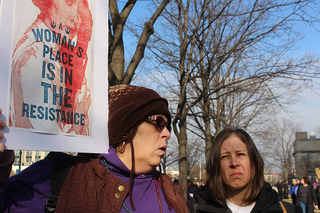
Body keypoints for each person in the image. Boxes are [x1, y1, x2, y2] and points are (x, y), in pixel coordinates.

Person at [0, 85, 190, 213]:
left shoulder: (171, 191)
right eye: (158, 122)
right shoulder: (60, 176)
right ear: (124, 126)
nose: (167, 134)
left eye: (168, 126)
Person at [9, 0, 92, 135]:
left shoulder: (52, 53)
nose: (76, 19)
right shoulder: (34, 55)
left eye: (80, 11)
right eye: (69, 2)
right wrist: (79, 118)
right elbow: (47, 137)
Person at [187, 128, 302, 213]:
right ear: (216, 166)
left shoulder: (287, 210)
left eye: (240, 154)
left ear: (254, 162)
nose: (234, 163)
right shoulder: (190, 210)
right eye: (225, 156)